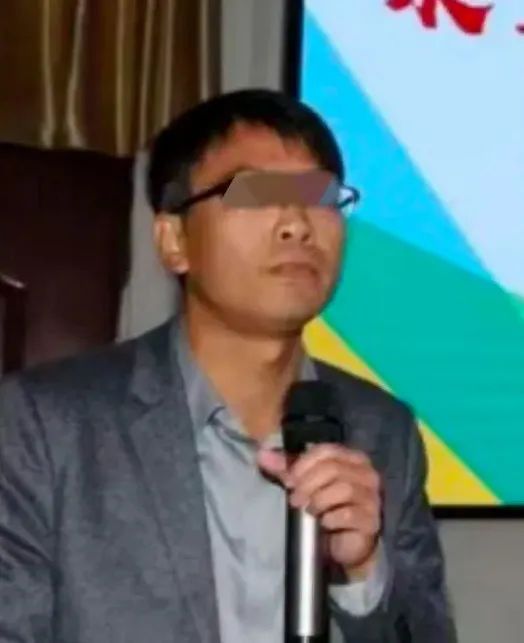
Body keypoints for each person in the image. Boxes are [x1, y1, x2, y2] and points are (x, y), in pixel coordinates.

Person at [0, 89, 456, 642]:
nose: (297, 225)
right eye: (255, 194)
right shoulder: (43, 424)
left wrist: (362, 575)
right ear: (174, 240)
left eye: (319, 196)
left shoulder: (383, 431)